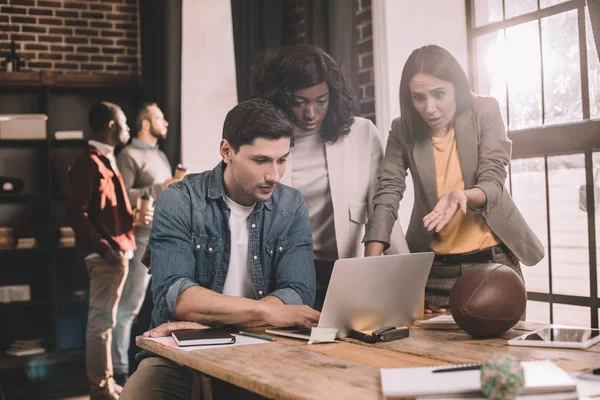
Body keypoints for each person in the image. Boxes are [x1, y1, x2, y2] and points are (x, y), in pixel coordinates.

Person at [120, 98, 319, 400]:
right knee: (140, 393)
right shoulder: (179, 200)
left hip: (265, 342)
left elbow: (298, 293)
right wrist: (263, 310)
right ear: (227, 151)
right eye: (261, 160)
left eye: (282, 160)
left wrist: (212, 319)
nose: (274, 176)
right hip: (183, 347)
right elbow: (178, 297)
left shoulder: (291, 205)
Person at [363, 45, 544, 313]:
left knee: (499, 355)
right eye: (418, 97)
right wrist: (369, 265)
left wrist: (462, 195)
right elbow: (388, 192)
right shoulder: (402, 130)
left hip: (494, 264)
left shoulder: (484, 110)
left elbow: (493, 182)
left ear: (456, 88)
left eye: (439, 94)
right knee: (430, 354)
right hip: (435, 269)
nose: (430, 108)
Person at [250, 44, 408, 311]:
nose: (311, 113)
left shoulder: (362, 134)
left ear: (332, 97)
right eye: (300, 102)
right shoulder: (266, 139)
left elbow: (382, 207)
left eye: (320, 101)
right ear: (282, 98)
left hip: (347, 269)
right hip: (285, 275)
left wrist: (406, 282)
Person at [66, 102, 136, 400]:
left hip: (117, 253)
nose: (128, 128)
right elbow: (75, 213)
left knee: (106, 323)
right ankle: (101, 389)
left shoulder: (107, 159)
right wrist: (106, 248)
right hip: (106, 256)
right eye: (124, 122)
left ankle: (106, 384)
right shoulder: (89, 162)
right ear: (110, 125)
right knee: (102, 323)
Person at [113, 102, 178, 386]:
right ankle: (119, 371)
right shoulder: (128, 155)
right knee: (129, 308)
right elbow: (122, 196)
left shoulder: (160, 155)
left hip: (162, 241)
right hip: (139, 241)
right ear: (144, 123)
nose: (165, 122)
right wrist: (158, 187)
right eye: (159, 117)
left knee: (162, 308)